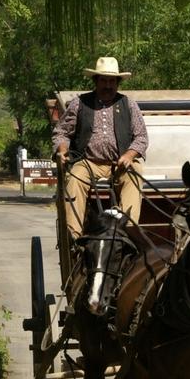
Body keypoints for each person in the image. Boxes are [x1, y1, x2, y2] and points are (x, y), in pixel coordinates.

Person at [53, 57, 148, 242]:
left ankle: (127, 232)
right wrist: (62, 149)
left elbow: (142, 137)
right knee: (74, 179)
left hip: (119, 163)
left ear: (117, 82)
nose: (108, 85)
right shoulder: (80, 103)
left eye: (112, 81)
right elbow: (61, 132)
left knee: (135, 172)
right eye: (103, 80)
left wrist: (129, 155)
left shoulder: (128, 104)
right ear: (96, 81)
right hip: (88, 162)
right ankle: (74, 238)